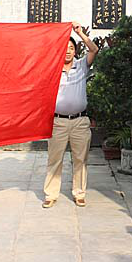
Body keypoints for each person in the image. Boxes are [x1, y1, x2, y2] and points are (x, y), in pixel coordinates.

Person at [43, 23, 99, 208]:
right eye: (64, 48)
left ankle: (79, 193)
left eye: (71, 48)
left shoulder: (82, 66)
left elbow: (94, 49)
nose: (67, 51)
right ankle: (51, 194)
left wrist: (80, 33)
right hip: (58, 122)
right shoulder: (52, 68)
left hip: (80, 122)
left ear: (75, 51)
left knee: (80, 160)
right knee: (54, 160)